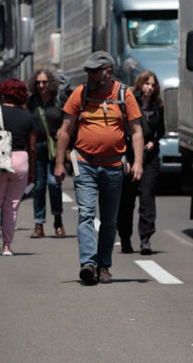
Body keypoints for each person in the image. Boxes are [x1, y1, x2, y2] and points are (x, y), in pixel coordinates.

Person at [54, 50, 144, 285]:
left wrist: (138, 162)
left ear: (108, 72)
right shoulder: (80, 94)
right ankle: (88, 264)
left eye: (94, 71)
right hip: (84, 163)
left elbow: (136, 132)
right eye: (88, 71)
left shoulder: (125, 95)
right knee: (85, 214)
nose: (90, 75)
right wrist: (59, 163)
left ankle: (104, 266)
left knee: (109, 220)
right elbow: (64, 131)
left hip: (114, 166)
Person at [0, 78, 36, 256]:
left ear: (3, 93)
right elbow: (32, 147)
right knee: (12, 205)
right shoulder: (29, 116)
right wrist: (32, 170)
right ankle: (7, 246)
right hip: (21, 160)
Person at [118, 70, 164, 255]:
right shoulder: (130, 101)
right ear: (140, 84)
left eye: (153, 85)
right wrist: (124, 158)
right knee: (126, 201)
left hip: (150, 159)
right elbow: (121, 130)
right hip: (129, 157)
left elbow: (161, 130)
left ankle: (145, 239)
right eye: (147, 84)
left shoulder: (157, 105)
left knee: (147, 199)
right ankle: (125, 238)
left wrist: (155, 141)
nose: (150, 88)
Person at [26, 69, 66, 238]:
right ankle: (39, 224)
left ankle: (58, 221)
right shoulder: (31, 102)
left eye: (44, 82)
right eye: (38, 83)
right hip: (37, 147)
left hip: (56, 147)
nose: (41, 86)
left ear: (50, 83)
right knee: (39, 185)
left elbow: (69, 121)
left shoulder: (59, 100)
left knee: (54, 183)